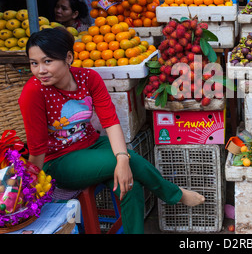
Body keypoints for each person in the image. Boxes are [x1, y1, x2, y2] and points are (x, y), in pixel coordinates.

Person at [18, 27, 205, 234]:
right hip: (60, 160)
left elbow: (110, 121)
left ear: (68, 57)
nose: (40, 70)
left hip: (93, 144)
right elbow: (37, 147)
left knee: (128, 183)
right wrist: (31, 186)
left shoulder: (88, 78)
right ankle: (174, 194)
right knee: (129, 160)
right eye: (34, 63)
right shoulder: (33, 92)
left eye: (47, 61)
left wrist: (122, 159)